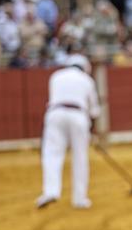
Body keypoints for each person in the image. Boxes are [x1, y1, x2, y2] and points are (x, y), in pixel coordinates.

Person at [35, 54, 101, 209]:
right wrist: (92, 131)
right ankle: (79, 199)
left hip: (55, 114)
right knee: (80, 157)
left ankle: (51, 191)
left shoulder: (56, 76)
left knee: (52, 154)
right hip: (78, 115)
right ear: (84, 67)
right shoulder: (87, 80)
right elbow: (94, 110)